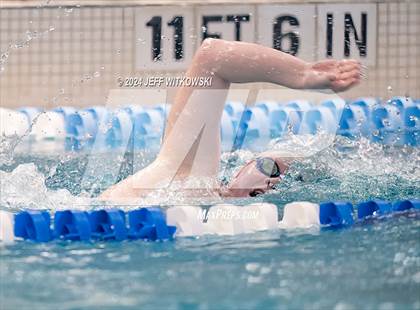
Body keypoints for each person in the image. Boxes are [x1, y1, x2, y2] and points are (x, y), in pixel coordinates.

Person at [99, 38, 361, 203]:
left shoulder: (208, 203)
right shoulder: (187, 173)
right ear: (241, 169)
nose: (273, 182)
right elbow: (212, 56)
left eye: (280, 181)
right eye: (270, 167)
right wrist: (304, 74)